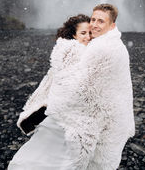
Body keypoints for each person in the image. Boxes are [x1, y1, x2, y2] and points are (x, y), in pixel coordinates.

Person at [45, 4, 135, 169]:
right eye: (93, 19)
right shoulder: (115, 43)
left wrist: (54, 102)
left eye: (101, 21)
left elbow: (79, 87)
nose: (94, 24)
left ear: (112, 25)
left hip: (108, 122)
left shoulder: (102, 47)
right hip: (118, 116)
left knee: (97, 163)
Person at [8, 14, 91, 169]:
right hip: (67, 116)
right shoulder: (73, 53)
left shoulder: (66, 52)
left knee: (48, 153)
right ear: (74, 35)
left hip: (64, 115)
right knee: (61, 155)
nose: (88, 37)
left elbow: (48, 83)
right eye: (83, 33)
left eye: (90, 33)